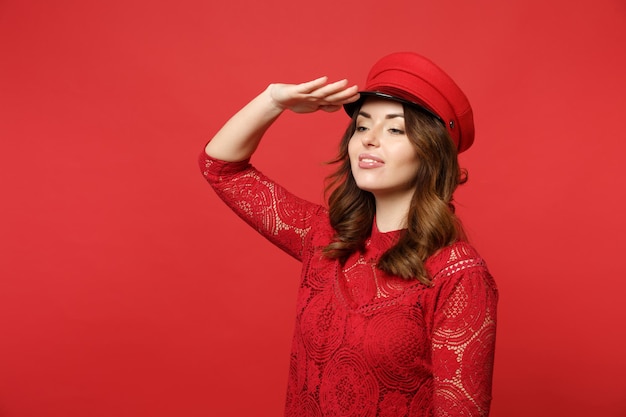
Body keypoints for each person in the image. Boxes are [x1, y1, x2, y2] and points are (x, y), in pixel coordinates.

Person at [199, 52, 498, 417]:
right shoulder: (324, 238)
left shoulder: (458, 274)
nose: (369, 140)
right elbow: (221, 169)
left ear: (431, 153)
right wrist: (273, 99)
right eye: (362, 126)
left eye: (394, 129)